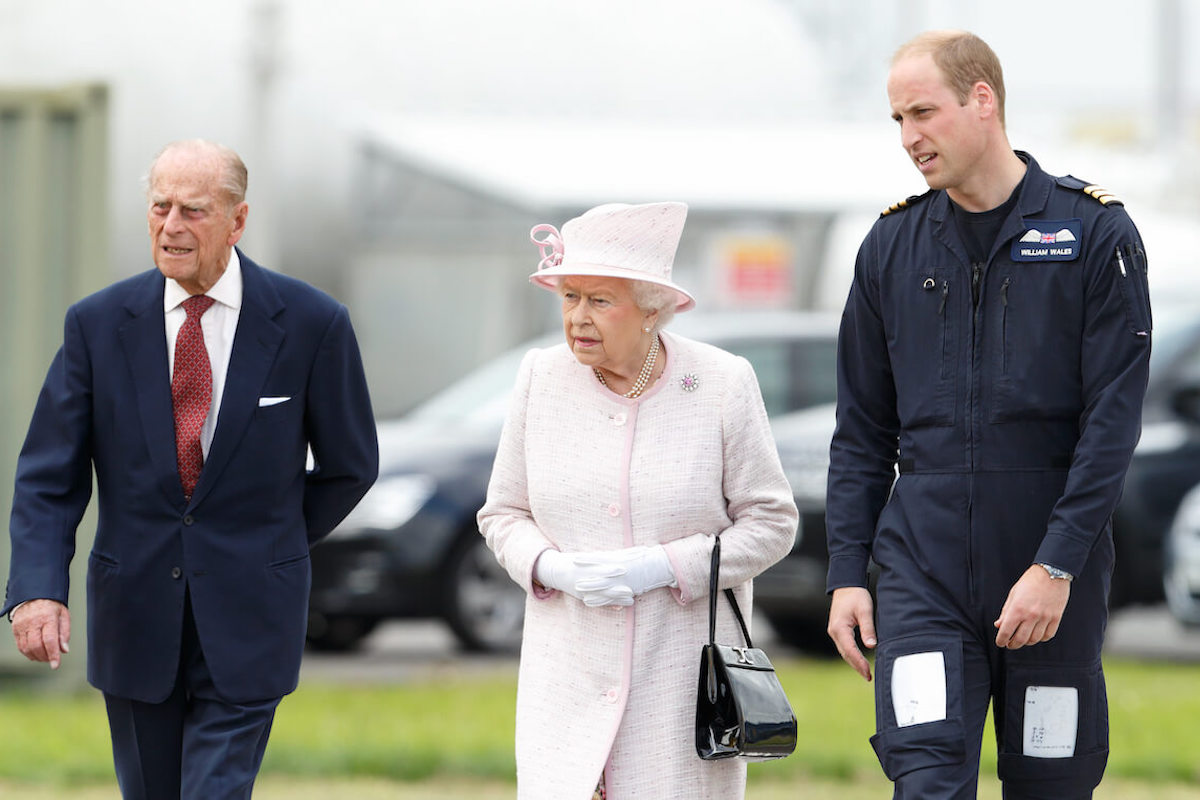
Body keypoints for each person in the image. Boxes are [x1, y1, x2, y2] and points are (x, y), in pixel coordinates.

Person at [825, 30, 1151, 799]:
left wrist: (1057, 564)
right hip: (922, 568)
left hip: (1048, 564)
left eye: (924, 112)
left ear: (983, 101)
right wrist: (847, 572)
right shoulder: (890, 247)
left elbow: (1112, 425)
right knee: (926, 780)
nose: (909, 137)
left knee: (1050, 783)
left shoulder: (1094, 233)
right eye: (897, 118)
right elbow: (862, 431)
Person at [3, 139, 379, 799]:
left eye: (194, 211)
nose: (171, 226)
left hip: (252, 617)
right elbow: (48, 473)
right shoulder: (96, 325)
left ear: (237, 221)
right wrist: (38, 587)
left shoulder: (312, 323)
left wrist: (267, 543)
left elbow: (351, 465)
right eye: (160, 207)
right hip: (135, 614)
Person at [477, 201, 798, 800]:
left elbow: (772, 524)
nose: (578, 317)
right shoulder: (539, 378)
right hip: (566, 677)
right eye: (569, 297)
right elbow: (503, 513)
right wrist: (553, 568)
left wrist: (664, 566)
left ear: (654, 309)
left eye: (600, 300)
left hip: (677, 679)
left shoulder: (723, 382)